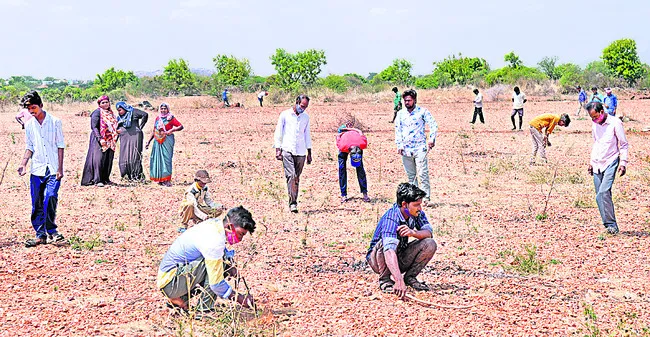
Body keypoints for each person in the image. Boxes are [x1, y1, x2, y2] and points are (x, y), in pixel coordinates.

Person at [157, 206, 257, 312]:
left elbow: (222, 252)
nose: (240, 239)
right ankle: (204, 310)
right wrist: (240, 298)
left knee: (222, 264)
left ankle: (181, 299)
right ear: (230, 226)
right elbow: (216, 284)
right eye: (240, 234)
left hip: (170, 278)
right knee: (219, 266)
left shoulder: (215, 225)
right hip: (171, 282)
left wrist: (231, 268)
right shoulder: (214, 240)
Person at [366, 183, 437, 297]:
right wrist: (399, 280)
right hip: (379, 260)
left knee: (430, 243)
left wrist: (414, 233)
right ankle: (385, 280)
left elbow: (428, 233)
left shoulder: (416, 213)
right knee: (386, 244)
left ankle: (410, 277)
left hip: (399, 255)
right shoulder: (392, 217)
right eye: (416, 205)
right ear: (404, 204)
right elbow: (389, 251)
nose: (420, 208)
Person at [17, 91, 66, 247]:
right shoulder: (29, 124)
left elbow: (60, 146)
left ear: (41, 105)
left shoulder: (55, 122)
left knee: (50, 197)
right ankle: (40, 235)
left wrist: (60, 168)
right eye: (29, 109)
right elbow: (30, 147)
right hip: (37, 169)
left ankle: (51, 230)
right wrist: (23, 164)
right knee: (37, 202)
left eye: (34, 108)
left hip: (52, 169)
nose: (31, 112)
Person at [586, 102, 628, 235]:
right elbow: (596, 143)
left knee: (604, 192)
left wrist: (623, 163)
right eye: (592, 118)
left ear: (602, 112)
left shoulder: (615, 123)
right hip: (597, 163)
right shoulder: (595, 124)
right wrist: (591, 162)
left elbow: (623, 144)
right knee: (599, 196)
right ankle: (607, 225)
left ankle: (612, 224)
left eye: (596, 117)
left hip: (611, 161)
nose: (594, 120)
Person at [394, 89, 437, 204]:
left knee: (422, 173)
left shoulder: (422, 112)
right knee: (411, 176)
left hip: (420, 148)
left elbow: (433, 125)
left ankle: (426, 198)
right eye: (405, 100)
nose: (407, 102)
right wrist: (399, 145)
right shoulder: (400, 114)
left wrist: (431, 139)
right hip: (406, 150)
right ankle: (414, 199)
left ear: (414, 100)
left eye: (409, 100)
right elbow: (398, 130)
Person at [274, 95, 313, 213]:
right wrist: (277, 149)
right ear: (297, 102)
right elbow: (279, 132)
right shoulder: (285, 115)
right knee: (291, 176)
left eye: (305, 107)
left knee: (296, 178)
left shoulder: (305, 117)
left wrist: (309, 152)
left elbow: (307, 135)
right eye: (302, 106)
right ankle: (293, 203)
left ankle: (294, 199)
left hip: (301, 151)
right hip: (287, 149)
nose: (303, 109)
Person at [81, 95, 118, 187]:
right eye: (103, 102)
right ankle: (97, 179)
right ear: (99, 104)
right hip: (99, 138)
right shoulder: (97, 113)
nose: (105, 104)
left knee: (108, 159)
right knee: (98, 159)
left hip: (110, 139)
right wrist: (100, 138)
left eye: (107, 102)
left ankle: (105, 178)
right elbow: (94, 127)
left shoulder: (111, 113)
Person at [146, 103, 184, 186]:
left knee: (166, 159)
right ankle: (160, 179)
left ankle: (167, 180)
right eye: (162, 109)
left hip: (167, 140)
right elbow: (154, 130)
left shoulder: (170, 118)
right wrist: (148, 141)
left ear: (168, 110)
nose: (163, 110)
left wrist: (171, 130)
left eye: (165, 109)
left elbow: (181, 126)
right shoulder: (158, 118)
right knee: (157, 159)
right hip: (157, 141)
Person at [115, 101, 148, 181]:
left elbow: (145, 115)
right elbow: (117, 128)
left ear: (124, 108)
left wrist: (140, 127)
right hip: (124, 137)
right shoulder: (120, 117)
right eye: (118, 110)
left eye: (120, 110)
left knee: (134, 155)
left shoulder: (133, 111)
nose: (119, 112)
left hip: (135, 136)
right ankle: (126, 176)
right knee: (124, 155)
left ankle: (136, 176)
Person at [336, 125, 369, 203]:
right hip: (344, 142)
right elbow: (338, 136)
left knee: (360, 168)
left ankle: (365, 193)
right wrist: (343, 132)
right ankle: (343, 194)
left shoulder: (362, 144)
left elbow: (360, 131)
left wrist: (350, 129)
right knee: (342, 169)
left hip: (355, 143)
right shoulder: (342, 146)